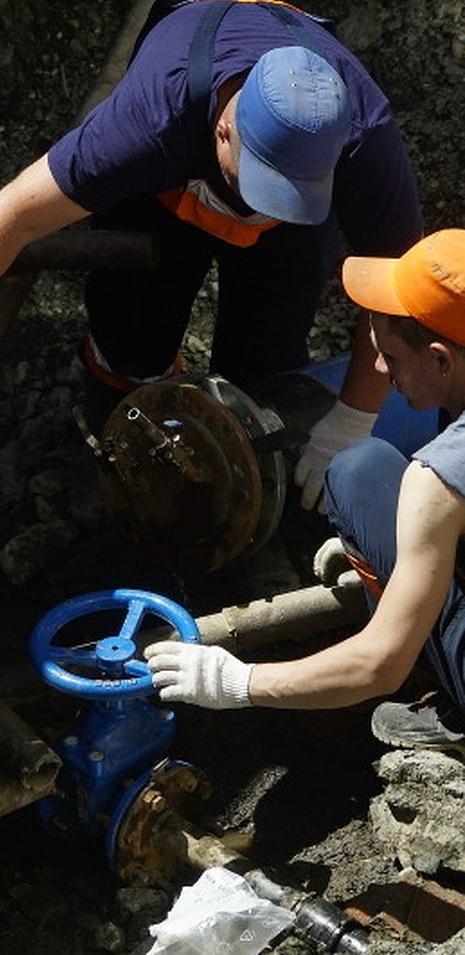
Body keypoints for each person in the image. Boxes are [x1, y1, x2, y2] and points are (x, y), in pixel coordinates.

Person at [0, 0, 422, 511]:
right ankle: (122, 447)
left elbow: (398, 293)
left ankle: (248, 477)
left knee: (267, 347)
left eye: (287, 192)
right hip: (165, 191)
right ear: (225, 131)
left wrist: (353, 418)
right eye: (260, 184)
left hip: (291, 215)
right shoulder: (150, 120)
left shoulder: (362, 135)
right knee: (131, 325)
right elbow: (14, 214)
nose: (263, 207)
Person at [146, 229, 465, 754]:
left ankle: (447, 707)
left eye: (389, 357)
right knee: (368, 473)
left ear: (441, 359)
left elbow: (378, 665)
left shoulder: (438, 478)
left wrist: (239, 683)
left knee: (358, 472)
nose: (379, 370)